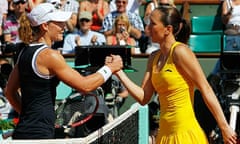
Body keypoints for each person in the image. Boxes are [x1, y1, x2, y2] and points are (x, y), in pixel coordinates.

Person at [109, 6, 238, 144]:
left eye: (153, 23)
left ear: (168, 29)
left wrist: (224, 127)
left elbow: (206, 89)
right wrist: (118, 71)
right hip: (164, 136)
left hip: (185, 135)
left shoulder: (181, 52)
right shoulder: (153, 58)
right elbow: (143, 97)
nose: (148, 27)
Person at [4, 3, 123, 139]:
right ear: (45, 26)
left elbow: (10, 92)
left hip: (24, 132)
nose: (64, 26)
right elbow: (85, 86)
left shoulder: (23, 53)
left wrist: (29, 117)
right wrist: (110, 68)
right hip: (40, 136)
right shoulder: (51, 56)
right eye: (59, 23)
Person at [212, 0, 240, 75]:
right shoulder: (227, 2)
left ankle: (216, 74)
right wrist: (229, 12)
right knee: (235, 41)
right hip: (232, 30)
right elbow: (224, 21)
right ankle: (218, 75)